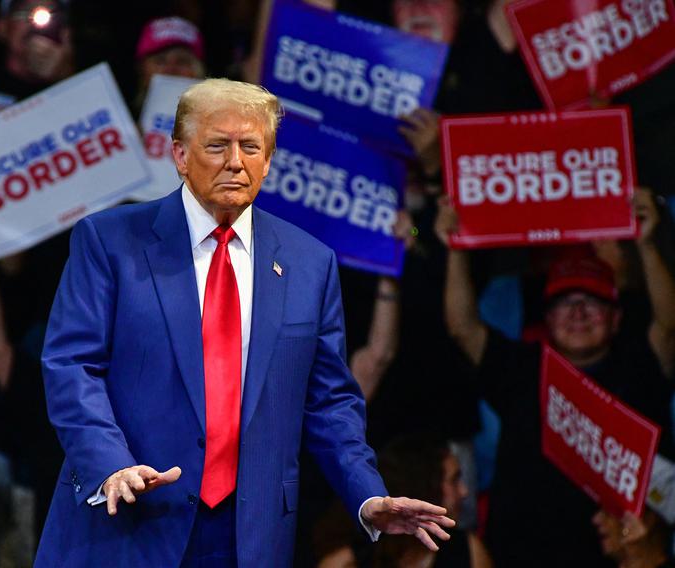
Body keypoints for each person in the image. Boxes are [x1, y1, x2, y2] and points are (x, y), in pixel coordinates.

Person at [35, 78, 454, 566]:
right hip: (126, 522)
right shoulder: (109, 241)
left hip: (248, 538)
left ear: (268, 161)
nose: (236, 161)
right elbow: (71, 366)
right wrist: (110, 466)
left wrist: (367, 496)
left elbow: (329, 402)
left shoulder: (310, 262)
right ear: (180, 155)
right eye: (217, 145)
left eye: (251, 147)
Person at [437, 189, 675, 567]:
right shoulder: (522, 368)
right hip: (518, 556)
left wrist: (645, 246)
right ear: (546, 320)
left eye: (592, 302)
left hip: (612, 557)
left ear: (616, 319)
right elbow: (463, 327)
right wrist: (455, 248)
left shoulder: (638, 368)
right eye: (564, 303)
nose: (578, 313)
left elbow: (668, 327)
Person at [316, 433, 492, 568]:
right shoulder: (349, 561)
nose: (464, 492)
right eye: (454, 480)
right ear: (423, 488)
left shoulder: (467, 552)